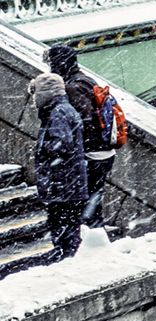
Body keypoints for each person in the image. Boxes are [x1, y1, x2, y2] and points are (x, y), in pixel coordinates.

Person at [46, 44, 116, 229]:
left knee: (87, 199)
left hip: (93, 153)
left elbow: (84, 120)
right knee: (94, 196)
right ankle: (94, 231)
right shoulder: (86, 80)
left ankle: (92, 235)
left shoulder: (72, 87)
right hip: (104, 151)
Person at [27, 72, 87, 265]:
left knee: (62, 224)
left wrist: (43, 150)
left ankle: (65, 259)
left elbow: (61, 145)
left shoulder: (57, 113)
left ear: (44, 93)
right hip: (71, 183)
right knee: (69, 224)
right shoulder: (64, 109)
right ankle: (67, 255)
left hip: (63, 185)